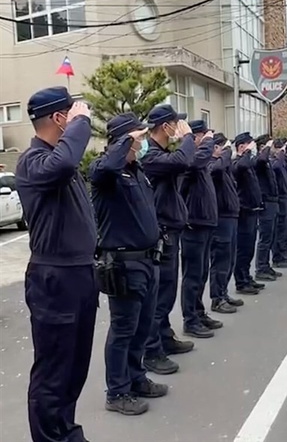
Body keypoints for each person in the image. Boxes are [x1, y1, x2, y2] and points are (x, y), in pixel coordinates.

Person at [16, 87, 97, 442]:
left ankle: (67, 432)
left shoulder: (60, 158)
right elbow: (62, 164)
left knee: (74, 368)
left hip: (80, 274)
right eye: (73, 112)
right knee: (53, 373)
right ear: (59, 118)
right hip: (54, 279)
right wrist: (81, 123)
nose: (80, 118)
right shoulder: (33, 161)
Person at [89, 112, 169, 416]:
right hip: (124, 265)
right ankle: (117, 391)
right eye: (139, 136)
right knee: (123, 330)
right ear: (125, 139)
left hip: (148, 261)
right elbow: (106, 166)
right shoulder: (106, 171)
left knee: (142, 326)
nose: (144, 141)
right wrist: (125, 140)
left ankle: (136, 378)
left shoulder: (137, 170)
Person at [141, 104, 196, 376]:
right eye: (176, 123)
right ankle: (151, 350)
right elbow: (183, 161)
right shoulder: (151, 156)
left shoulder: (162, 154)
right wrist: (188, 139)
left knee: (167, 291)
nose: (179, 128)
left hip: (171, 231)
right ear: (166, 127)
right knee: (159, 296)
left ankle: (164, 337)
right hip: (161, 234)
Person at [180, 121, 222, 337]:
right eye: (203, 136)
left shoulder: (201, 162)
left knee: (202, 272)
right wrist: (207, 142)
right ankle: (190, 319)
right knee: (193, 275)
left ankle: (198, 311)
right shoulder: (189, 160)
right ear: (194, 138)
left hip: (204, 223)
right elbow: (196, 162)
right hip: (193, 225)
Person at [207, 133, 244, 313]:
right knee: (220, 260)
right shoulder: (211, 165)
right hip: (220, 219)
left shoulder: (224, 165)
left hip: (230, 216)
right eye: (221, 147)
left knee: (229, 259)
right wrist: (227, 152)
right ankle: (217, 298)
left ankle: (223, 292)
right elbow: (217, 169)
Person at [231, 132, 265, 295]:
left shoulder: (247, 162)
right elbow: (243, 166)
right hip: (243, 212)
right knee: (242, 249)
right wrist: (247, 152)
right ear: (241, 147)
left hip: (252, 210)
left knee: (249, 248)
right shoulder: (237, 162)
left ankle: (247, 276)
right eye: (249, 146)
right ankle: (241, 281)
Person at [253, 135, 281, 282]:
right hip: (265, 203)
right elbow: (262, 160)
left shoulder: (268, 161)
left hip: (272, 202)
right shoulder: (259, 160)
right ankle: (260, 268)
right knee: (264, 238)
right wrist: (266, 147)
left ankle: (266, 265)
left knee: (270, 236)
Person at [271, 139, 287, 268]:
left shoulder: (282, 160)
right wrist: (280, 153)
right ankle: (277, 256)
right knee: (278, 229)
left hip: (285, 197)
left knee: (284, 227)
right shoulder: (272, 161)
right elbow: (277, 166)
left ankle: (282, 252)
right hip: (279, 198)